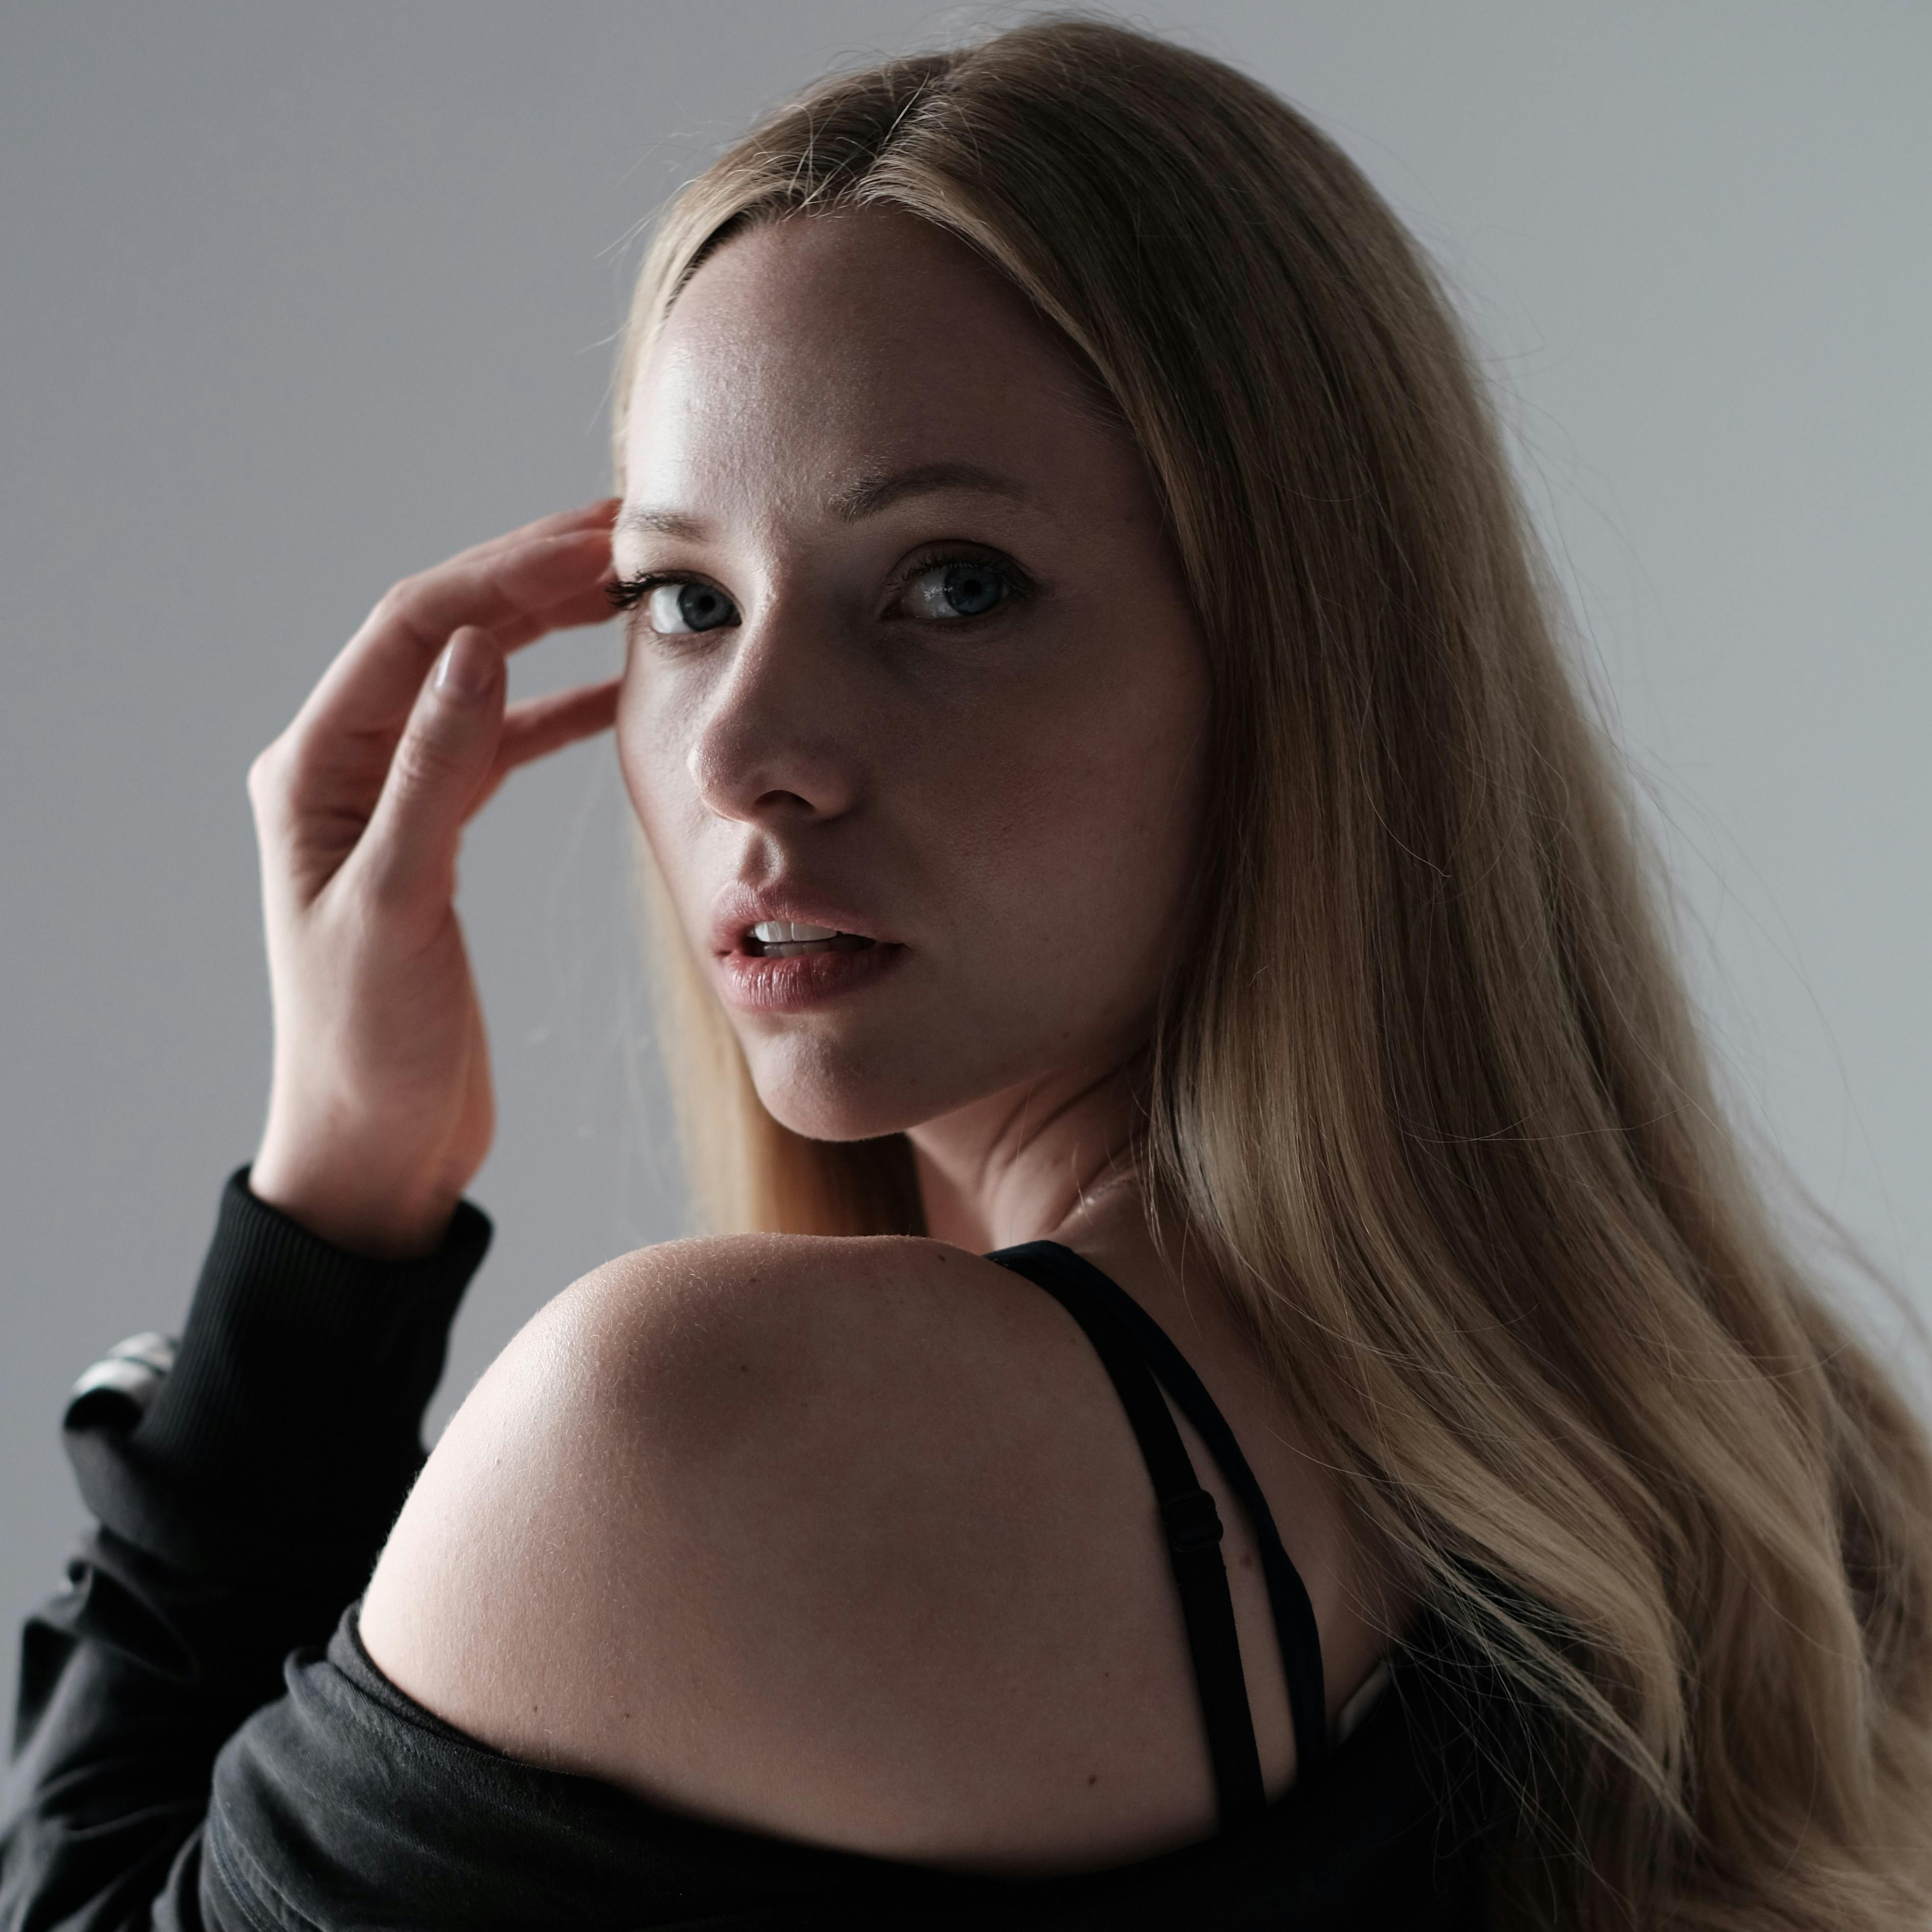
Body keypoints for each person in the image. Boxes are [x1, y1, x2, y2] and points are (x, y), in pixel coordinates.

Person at [7, 17, 1930, 1929]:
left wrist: (337, 1200)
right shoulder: (1780, 1485)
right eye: (686, 599)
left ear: (1311, 665)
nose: (740, 750)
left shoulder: (685, 1438)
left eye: (954, 584)